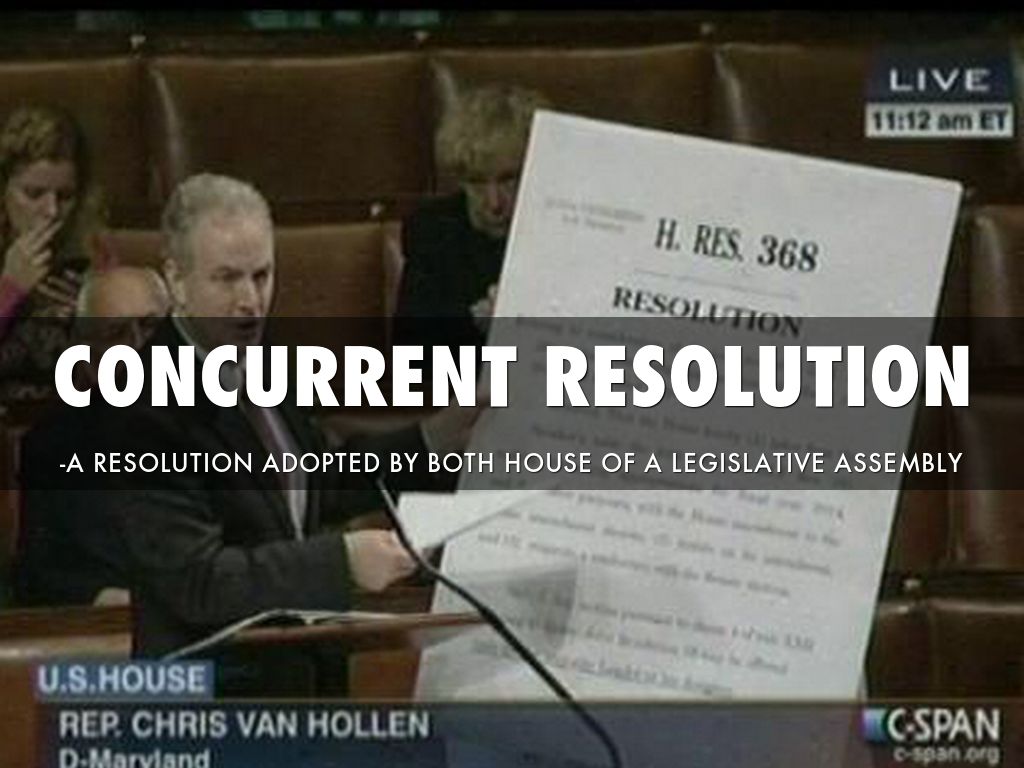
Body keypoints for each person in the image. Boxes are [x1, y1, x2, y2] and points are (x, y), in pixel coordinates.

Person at [97, 173, 468, 694]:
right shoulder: (143, 403)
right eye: (227, 279)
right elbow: (198, 581)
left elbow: (319, 481)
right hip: (213, 699)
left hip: (300, 681)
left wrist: (435, 436)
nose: (250, 300)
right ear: (176, 279)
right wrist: (341, 561)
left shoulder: (266, 361)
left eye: (262, 275)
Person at [14, 267, 170, 607]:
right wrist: (108, 599)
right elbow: (40, 573)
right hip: (111, 626)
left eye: (151, 326)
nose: (138, 346)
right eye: (116, 333)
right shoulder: (52, 445)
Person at [393, 80, 551, 348]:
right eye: (477, 182)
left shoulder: (566, 227)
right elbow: (412, 354)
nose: (494, 203)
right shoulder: (434, 230)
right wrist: (475, 326)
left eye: (508, 180)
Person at [0, 105, 108, 401]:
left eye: (65, 196)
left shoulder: (92, 254)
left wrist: (93, 319)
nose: (51, 211)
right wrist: (10, 289)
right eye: (34, 194)